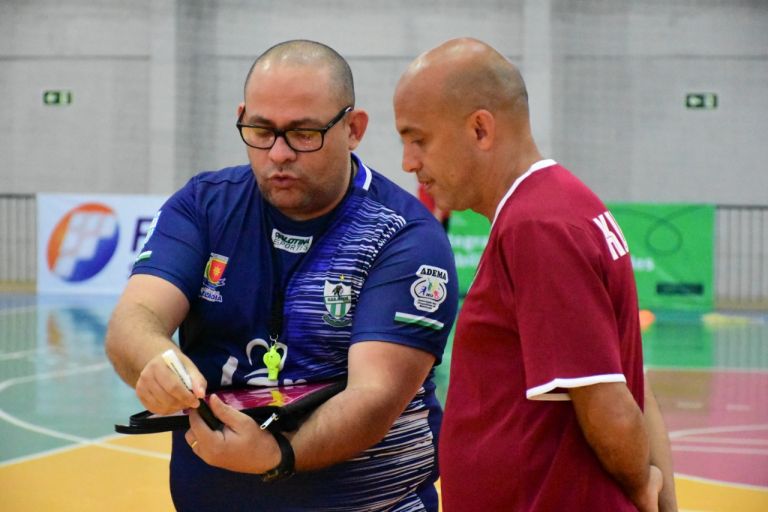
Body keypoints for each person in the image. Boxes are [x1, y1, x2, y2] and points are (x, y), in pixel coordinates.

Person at [106, 39, 458, 512]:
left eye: (304, 133)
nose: (279, 153)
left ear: (353, 129)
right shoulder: (204, 206)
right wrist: (156, 360)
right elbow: (135, 317)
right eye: (261, 130)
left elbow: (374, 396)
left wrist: (278, 455)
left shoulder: (402, 235)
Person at [393, 38, 677, 512]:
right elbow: (635, 386)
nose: (408, 162)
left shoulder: (538, 226)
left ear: (480, 129)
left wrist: (643, 486)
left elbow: (610, 404)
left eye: (418, 139)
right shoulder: (558, 205)